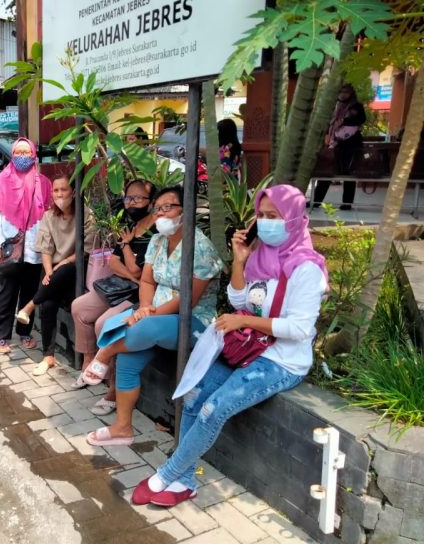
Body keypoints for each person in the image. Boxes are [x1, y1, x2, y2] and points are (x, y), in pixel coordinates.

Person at [131, 184, 328, 507]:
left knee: (213, 408)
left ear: (293, 219)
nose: (265, 223)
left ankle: (167, 474)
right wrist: (240, 261)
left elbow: (299, 328)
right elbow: (241, 300)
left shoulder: (306, 268)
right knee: (194, 397)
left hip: (281, 361)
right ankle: (183, 482)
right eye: (261, 216)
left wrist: (245, 322)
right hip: (247, 349)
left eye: (273, 216)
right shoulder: (261, 256)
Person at [81, 186, 224, 446]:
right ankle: (123, 428)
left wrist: (149, 314)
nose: (161, 213)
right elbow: (146, 281)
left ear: (186, 209)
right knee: (128, 358)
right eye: (157, 209)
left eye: (168, 207)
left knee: (145, 329)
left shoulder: (200, 247)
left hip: (193, 321)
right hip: (154, 316)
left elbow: (188, 300)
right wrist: (145, 308)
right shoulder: (157, 242)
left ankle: (104, 352)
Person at [70, 179, 157, 411]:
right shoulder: (130, 224)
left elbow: (139, 269)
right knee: (79, 307)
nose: (132, 203)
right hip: (123, 284)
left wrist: (130, 261)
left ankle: (113, 388)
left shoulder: (158, 230)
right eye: (129, 198)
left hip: (142, 294)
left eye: (138, 198)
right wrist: (132, 274)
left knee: (104, 324)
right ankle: (89, 363)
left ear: (151, 202)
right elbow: (114, 261)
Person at [15, 175, 94, 375]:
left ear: (74, 192)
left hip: (76, 268)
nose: (59, 194)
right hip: (55, 271)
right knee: (49, 304)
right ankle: (48, 357)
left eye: (64, 190)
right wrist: (49, 272)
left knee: (65, 269)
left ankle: (30, 305)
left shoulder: (85, 215)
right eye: (56, 190)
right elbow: (46, 249)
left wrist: (65, 262)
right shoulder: (49, 216)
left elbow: (86, 249)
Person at [0, 137, 52, 355]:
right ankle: (1, 335)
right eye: (18, 152)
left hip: (34, 246)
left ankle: (25, 331)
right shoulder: (1, 181)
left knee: (30, 291)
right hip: (9, 245)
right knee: (7, 292)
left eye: (26, 153)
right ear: (12, 154)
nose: (22, 157)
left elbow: (49, 215)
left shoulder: (43, 182)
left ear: (34, 155)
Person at [313, 84, 366, 210]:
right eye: (341, 91)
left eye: (346, 92)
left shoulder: (356, 106)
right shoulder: (333, 106)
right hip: (334, 143)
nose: (343, 94)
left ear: (351, 93)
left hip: (351, 144)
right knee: (326, 172)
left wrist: (343, 121)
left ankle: (347, 204)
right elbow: (327, 123)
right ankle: (316, 201)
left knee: (348, 174)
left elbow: (360, 120)